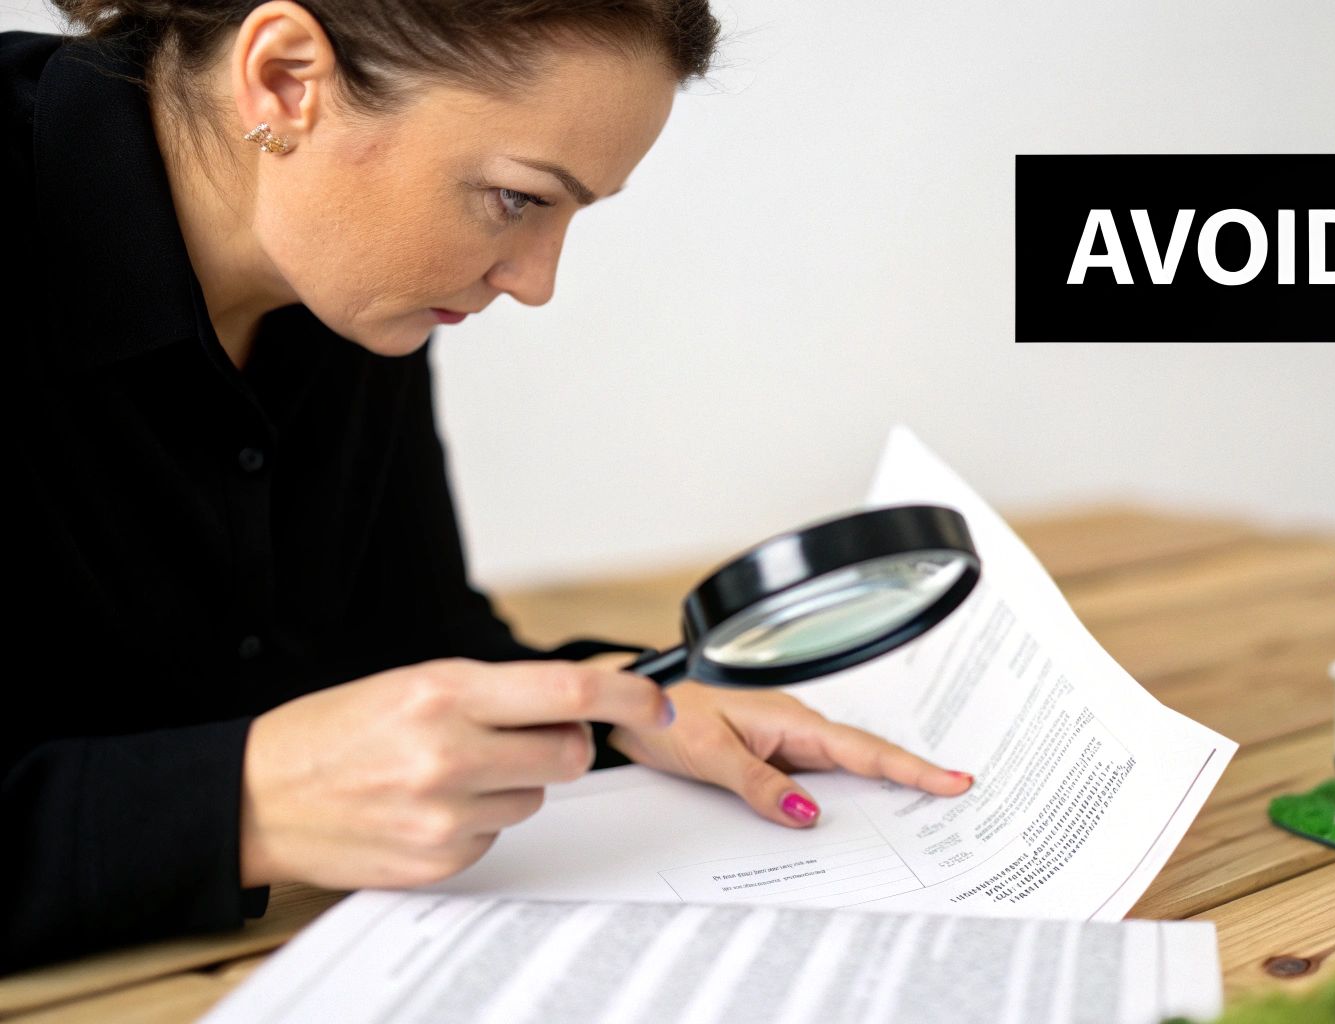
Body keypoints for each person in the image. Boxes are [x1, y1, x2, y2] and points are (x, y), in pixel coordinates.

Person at [0, 0, 973, 973]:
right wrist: (241, 803)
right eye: (516, 198)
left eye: (568, 210)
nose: (537, 281)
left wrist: (635, 708)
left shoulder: (352, 285)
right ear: (287, 79)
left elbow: (416, 646)